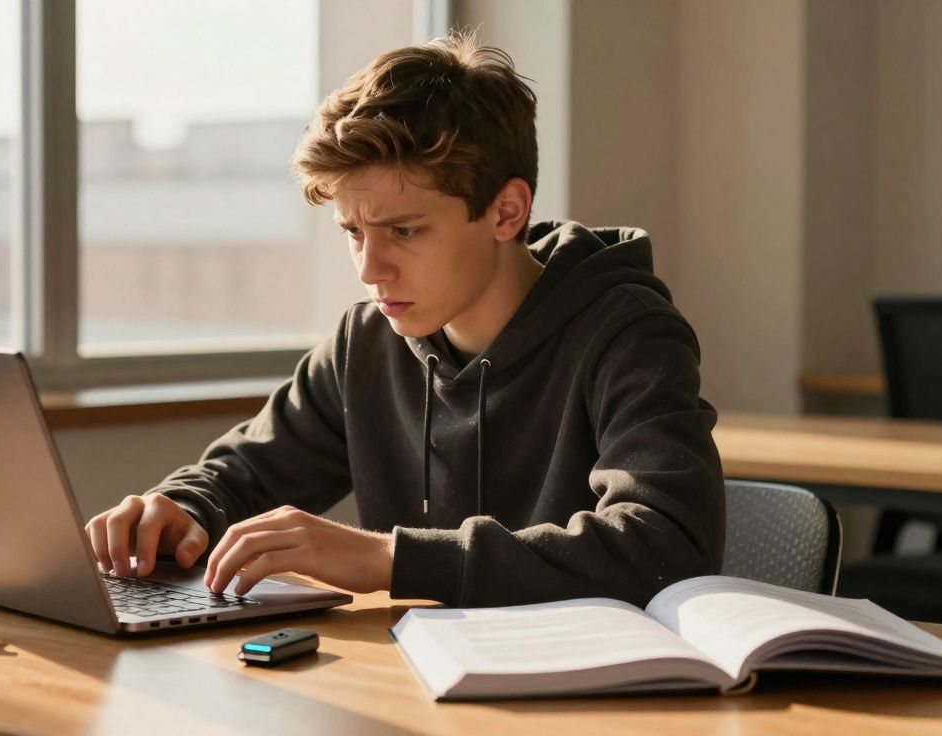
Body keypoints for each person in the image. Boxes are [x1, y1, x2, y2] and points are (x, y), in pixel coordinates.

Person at [85, 29, 725, 608]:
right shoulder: (367, 340)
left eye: (404, 230)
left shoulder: (628, 333)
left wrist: (388, 559)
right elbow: (247, 472)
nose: (370, 270)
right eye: (353, 232)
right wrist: (182, 508)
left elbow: (664, 545)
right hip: (412, 685)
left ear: (506, 212)